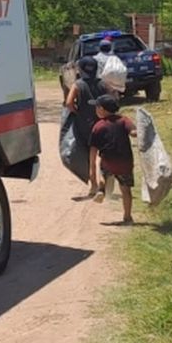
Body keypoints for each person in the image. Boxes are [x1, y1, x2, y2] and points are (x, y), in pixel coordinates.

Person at [89, 94, 138, 224]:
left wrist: (92, 170)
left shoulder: (98, 126)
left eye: (96, 107)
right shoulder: (124, 120)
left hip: (108, 162)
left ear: (102, 109)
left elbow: (93, 151)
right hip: (125, 162)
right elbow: (133, 133)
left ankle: (102, 187)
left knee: (104, 171)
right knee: (125, 190)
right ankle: (127, 217)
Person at [64, 56, 104, 198]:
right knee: (103, 154)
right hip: (102, 123)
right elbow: (113, 98)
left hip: (85, 125)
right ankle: (103, 181)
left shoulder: (78, 85)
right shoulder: (102, 84)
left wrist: (77, 111)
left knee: (91, 156)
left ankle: (94, 185)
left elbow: (69, 103)